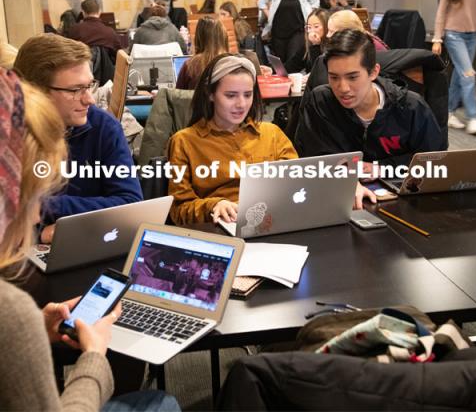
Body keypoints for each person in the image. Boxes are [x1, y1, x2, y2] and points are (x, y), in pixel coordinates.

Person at [0, 69, 179, 412]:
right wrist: (95, 357)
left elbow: (130, 201)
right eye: (34, 200)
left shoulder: (103, 127)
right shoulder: (11, 312)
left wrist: (36, 326)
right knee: (161, 403)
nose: (38, 216)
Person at [13, 34, 143, 243]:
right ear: (35, 92)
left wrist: (49, 207)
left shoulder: (104, 127)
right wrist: (38, 235)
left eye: (90, 85)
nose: (89, 99)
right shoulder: (9, 135)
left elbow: (130, 204)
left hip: (89, 243)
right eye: (75, 90)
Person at [168, 54, 298, 225]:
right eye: (231, 96)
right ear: (210, 94)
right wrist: (214, 206)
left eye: (248, 95)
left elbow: (296, 186)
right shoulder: (184, 142)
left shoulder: (272, 134)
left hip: (271, 221)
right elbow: (179, 209)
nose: (241, 104)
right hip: (217, 229)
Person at [295, 29, 445, 176]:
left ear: (373, 72)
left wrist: (382, 168)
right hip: (339, 193)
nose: (343, 88)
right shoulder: (321, 102)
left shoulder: (410, 107)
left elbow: (434, 161)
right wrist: (348, 181)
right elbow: (310, 161)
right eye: (334, 77)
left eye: (352, 77)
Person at [432, 0, 476, 135]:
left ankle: (449, 113)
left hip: (473, 34)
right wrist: (437, 38)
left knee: (460, 77)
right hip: (453, 34)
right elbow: (442, 10)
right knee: (469, 75)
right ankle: (474, 117)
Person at [258, 0, 319, 64]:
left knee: (293, 59)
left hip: (297, 31)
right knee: (280, 61)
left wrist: (310, 17)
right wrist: (269, 14)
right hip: (278, 33)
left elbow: (316, 1)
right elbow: (261, 2)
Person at [176, 16, 229, 90]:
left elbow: (177, 96)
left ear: (199, 37)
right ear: (223, 35)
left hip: (196, 101)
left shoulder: (190, 65)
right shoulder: (232, 63)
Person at [285, 7, 328, 74]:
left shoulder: (332, 46)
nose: (311, 31)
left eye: (316, 26)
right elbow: (291, 66)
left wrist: (316, 45)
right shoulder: (308, 45)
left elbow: (319, 72)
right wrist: (271, 69)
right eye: (309, 27)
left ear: (326, 27)